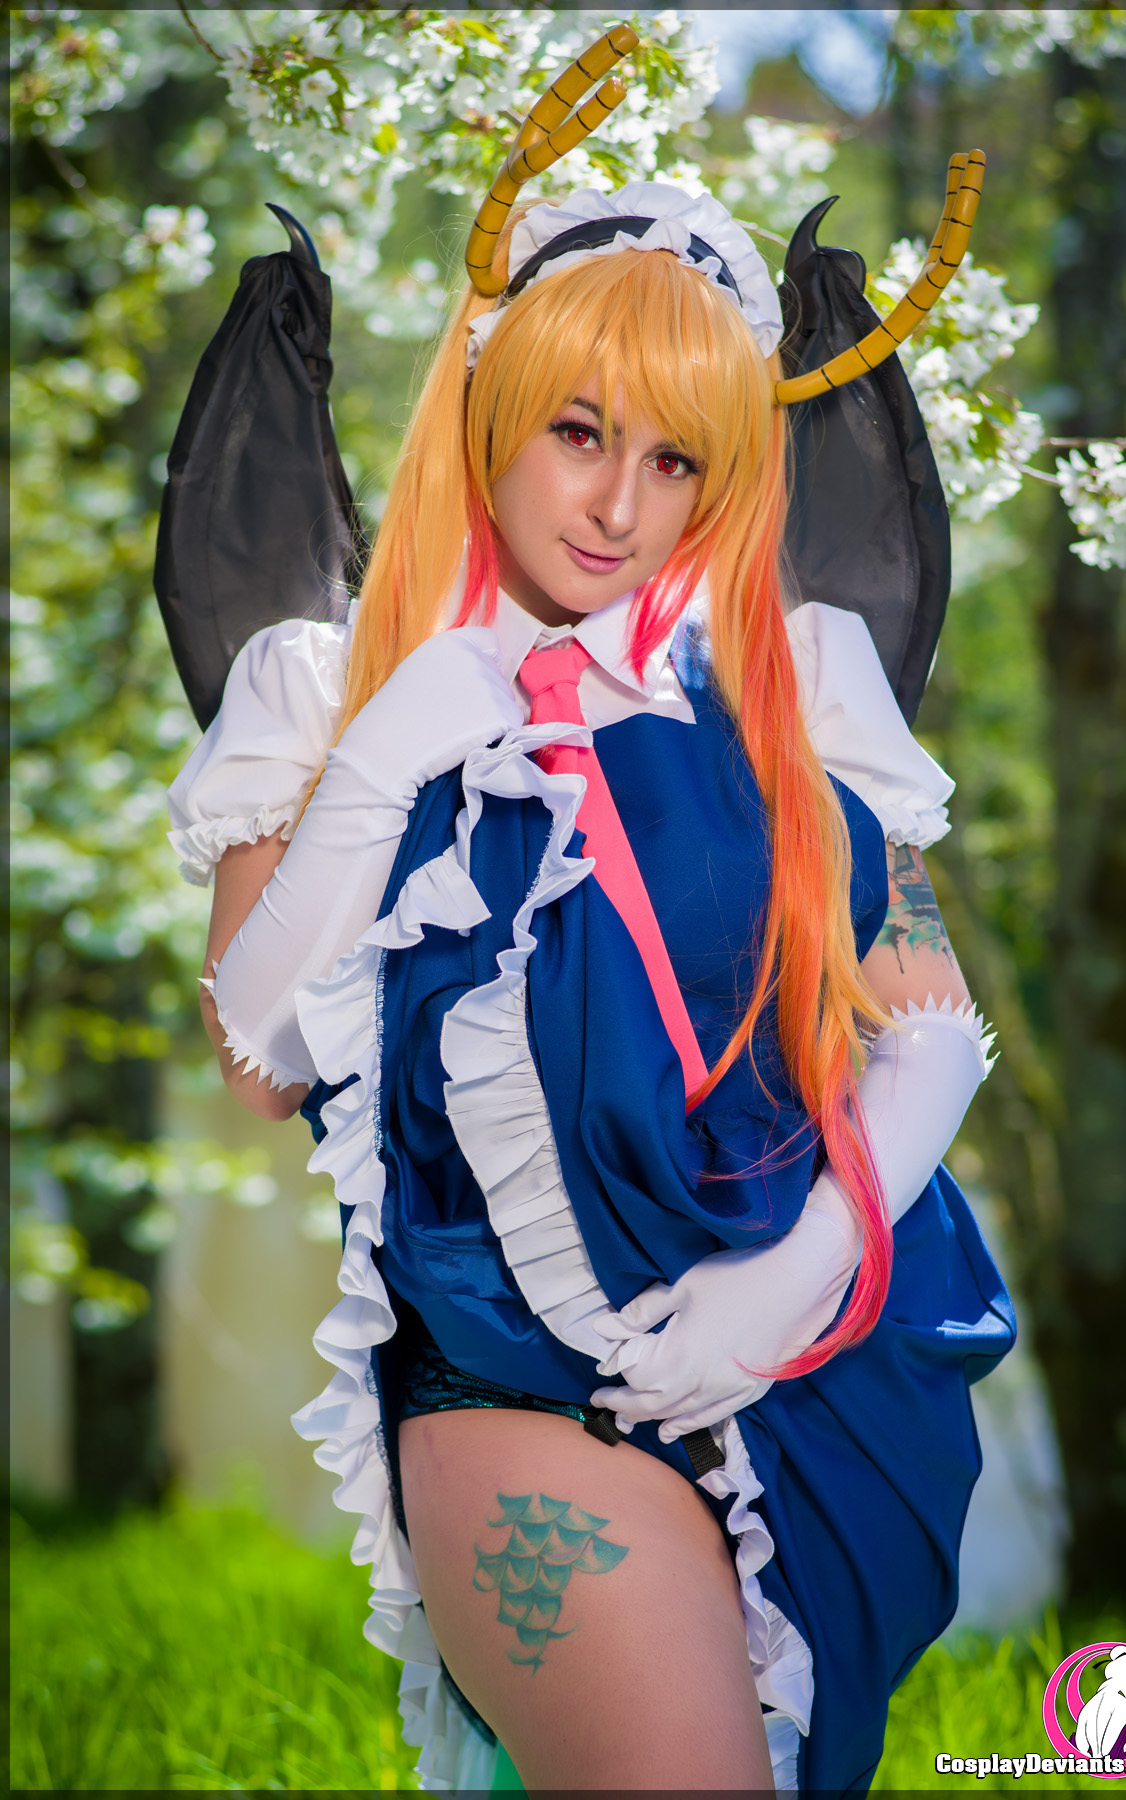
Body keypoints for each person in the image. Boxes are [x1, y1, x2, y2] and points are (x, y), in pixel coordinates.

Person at [167, 92, 1014, 1794]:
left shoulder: (796, 679)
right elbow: (261, 1061)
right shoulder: (323, 681)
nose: (619, 505)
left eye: (675, 459)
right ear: (490, 408)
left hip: (810, 1379)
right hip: (521, 1388)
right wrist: (388, 755)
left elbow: (921, 1017)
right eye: (578, 431)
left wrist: (793, 1276)